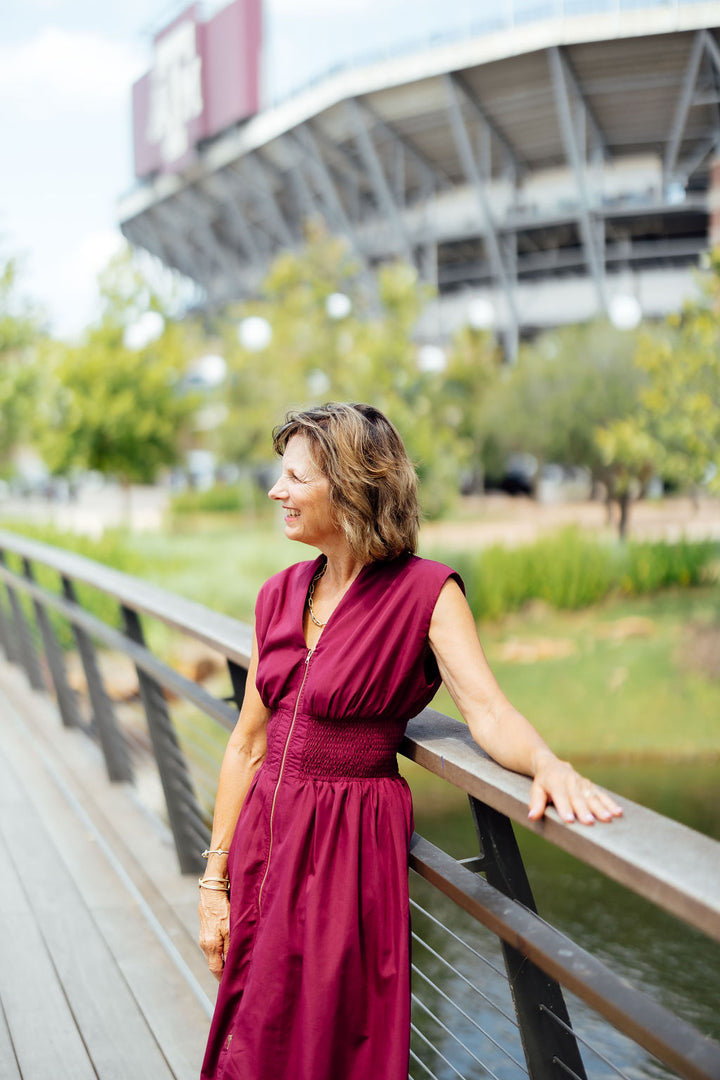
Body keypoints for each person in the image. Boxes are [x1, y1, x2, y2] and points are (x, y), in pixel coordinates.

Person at [198, 402, 622, 1080]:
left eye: (293, 478)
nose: (276, 492)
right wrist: (214, 883)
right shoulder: (277, 595)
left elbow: (486, 710)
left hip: (346, 853)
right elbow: (248, 744)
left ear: (349, 485)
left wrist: (546, 761)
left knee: (332, 1047)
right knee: (252, 1043)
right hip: (263, 846)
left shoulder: (427, 592)